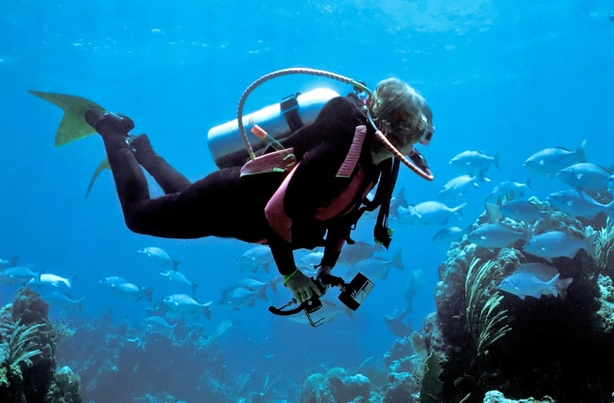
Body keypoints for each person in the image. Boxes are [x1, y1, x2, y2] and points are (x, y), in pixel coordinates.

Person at [84, 78, 433, 304]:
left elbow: (345, 212)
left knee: (184, 204)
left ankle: (145, 152)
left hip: (240, 219)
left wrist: (326, 268)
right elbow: (275, 212)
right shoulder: (340, 146)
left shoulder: (380, 160)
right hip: (227, 199)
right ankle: (112, 132)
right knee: (138, 215)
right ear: (392, 129)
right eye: (413, 136)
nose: (414, 146)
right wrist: (292, 275)